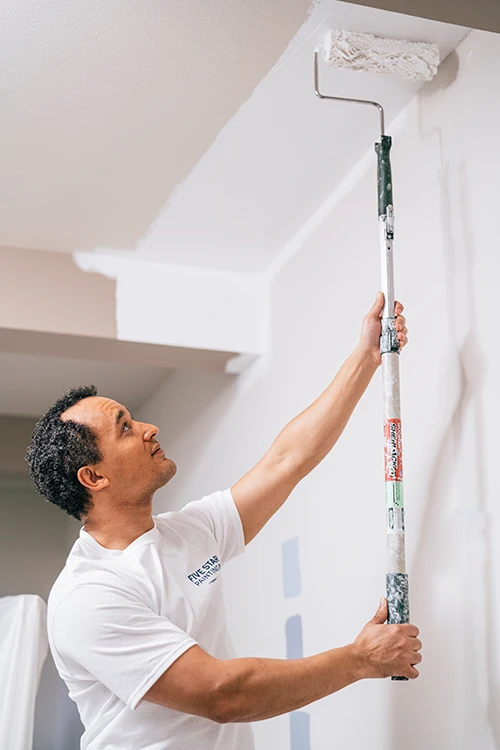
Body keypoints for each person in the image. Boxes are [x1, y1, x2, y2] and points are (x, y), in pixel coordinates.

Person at [26, 292, 420, 750]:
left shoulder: (186, 533)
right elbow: (224, 694)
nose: (149, 428)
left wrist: (366, 357)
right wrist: (360, 660)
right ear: (94, 477)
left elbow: (284, 462)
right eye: (126, 427)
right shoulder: (87, 598)